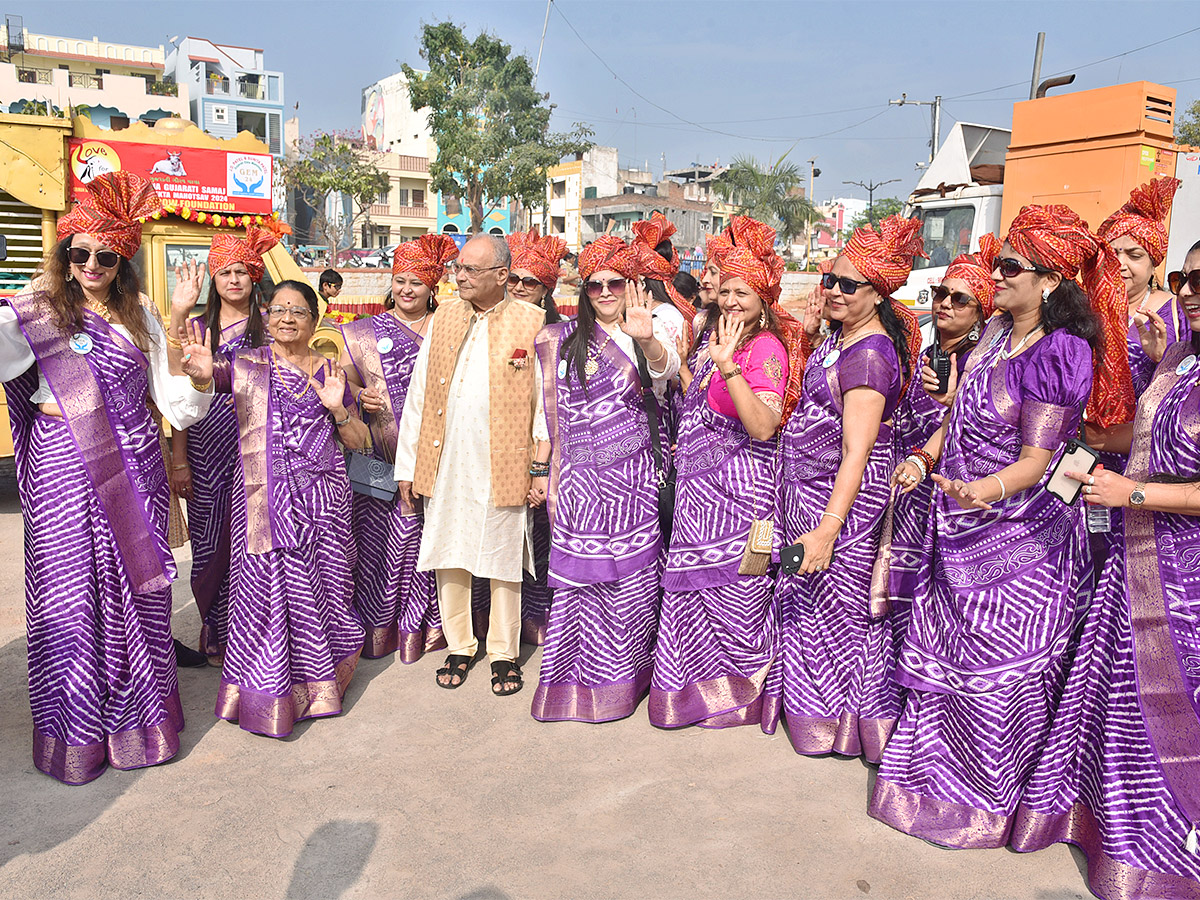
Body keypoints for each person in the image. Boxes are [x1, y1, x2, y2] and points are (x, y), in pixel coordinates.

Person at [870, 204, 1131, 848]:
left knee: (996, 675)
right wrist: (927, 455)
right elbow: (955, 416)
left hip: (1020, 541)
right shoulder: (991, 335)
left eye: (1011, 266)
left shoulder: (1061, 351)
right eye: (999, 263)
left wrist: (977, 490)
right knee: (943, 663)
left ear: (1049, 282)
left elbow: (1038, 461)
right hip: (956, 528)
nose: (998, 274)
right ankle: (920, 790)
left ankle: (978, 809)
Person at [0, 172, 215, 783]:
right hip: (62, 464)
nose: (92, 263)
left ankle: (136, 725)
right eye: (80, 252)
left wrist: (188, 352)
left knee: (135, 591)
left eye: (105, 254)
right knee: (69, 593)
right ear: (64, 257)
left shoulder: (139, 318)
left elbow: (175, 403)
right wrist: (26, 294)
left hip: (135, 466)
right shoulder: (37, 312)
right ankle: (74, 733)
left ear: (122, 261)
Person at [1006, 259, 1200, 893]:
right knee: (1118, 709)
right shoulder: (1179, 362)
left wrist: (1133, 494)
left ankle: (1168, 854)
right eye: (1187, 278)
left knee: (1171, 713)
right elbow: (1126, 436)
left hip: (1186, 580)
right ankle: (1117, 840)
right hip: (1134, 556)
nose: (1190, 291)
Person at [765, 215, 924, 761]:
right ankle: (810, 718)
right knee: (809, 608)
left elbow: (858, 451)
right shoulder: (841, 338)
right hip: (805, 492)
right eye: (830, 279)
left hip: (844, 505)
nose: (832, 289)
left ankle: (838, 728)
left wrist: (830, 527)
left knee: (839, 615)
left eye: (847, 285)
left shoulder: (871, 354)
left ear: (877, 295)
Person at [182, 279, 369, 738]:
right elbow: (206, 377)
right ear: (266, 317)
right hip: (263, 501)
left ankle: (320, 684)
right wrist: (199, 369)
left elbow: (360, 441)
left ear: (314, 319)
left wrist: (339, 410)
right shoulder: (247, 365)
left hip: (324, 501)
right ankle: (267, 689)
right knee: (265, 594)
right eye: (278, 309)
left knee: (324, 592)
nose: (286, 317)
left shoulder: (331, 372)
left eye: (298, 311)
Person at [648, 216, 804, 729]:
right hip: (700, 499)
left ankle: (739, 698)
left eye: (744, 292)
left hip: (740, 502)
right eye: (728, 290)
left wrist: (730, 366)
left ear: (764, 298)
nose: (732, 300)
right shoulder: (717, 337)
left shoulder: (765, 349)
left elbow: (763, 425)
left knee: (735, 602)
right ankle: (688, 696)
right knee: (694, 601)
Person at [527, 235, 679, 722]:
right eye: (596, 285)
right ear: (583, 291)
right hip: (576, 482)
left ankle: (625, 681)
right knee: (580, 584)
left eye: (616, 282)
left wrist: (646, 338)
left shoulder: (653, 331)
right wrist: (539, 469)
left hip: (631, 481)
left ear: (632, 285)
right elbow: (542, 414)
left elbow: (668, 373)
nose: (606, 292)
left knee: (630, 583)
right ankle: (572, 684)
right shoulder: (555, 339)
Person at [394, 234, 546, 697]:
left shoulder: (532, 322)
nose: (459, 276)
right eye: (457, 268)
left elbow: (545, 403)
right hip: (446, 458)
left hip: (504, 459)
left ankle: (503, 651)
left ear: (502, 276)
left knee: (503, 558)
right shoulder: (445, 316)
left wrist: (540, 469)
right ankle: (460, 644)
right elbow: (419, 394)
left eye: (470, 270)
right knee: (449, 552)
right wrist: (407, 466)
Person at [338, 235, 456, 661]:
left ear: (433, 286)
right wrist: (356, 391)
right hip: (377, 458)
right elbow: (344, 377)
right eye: (400, 280)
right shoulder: (362, 332)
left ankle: (428, 624)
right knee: (377, 539)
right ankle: (379, 625)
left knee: (430, 539)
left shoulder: (451, 327)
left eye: (417, 282)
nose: (407, 290)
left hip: (441, 456)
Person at [169, 227, 275, 662]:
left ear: (254, 278)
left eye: (241, 272)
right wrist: (179, 460)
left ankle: (253, 634)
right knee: (211, 544)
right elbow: (177, 393)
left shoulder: (271, 327)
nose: (233, 280)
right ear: (213, 281)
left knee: (254, 539)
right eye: (224, 272)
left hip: (259, 448)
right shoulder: (197, 327)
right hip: (204, 449)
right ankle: (215, 632)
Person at [885, 236, 998, 608]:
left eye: (960, 298)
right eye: (941, 293)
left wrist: (951, 401)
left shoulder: (980, 365)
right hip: (905, 485)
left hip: (946, 489)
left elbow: (962, 424)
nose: (945, 303)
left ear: (980, 312)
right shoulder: (927, 352)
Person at [498, 227, 568, 645]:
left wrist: (540, 464)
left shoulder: (559, 336)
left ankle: (541, 622)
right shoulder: (489, 326)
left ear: (547, 290)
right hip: (500, 448)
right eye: (515, 279)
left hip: (548, 452)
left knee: (543, 536)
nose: (521, 288)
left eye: (531, 282)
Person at [1096, 177, 1187, 396]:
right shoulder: (1085, 307)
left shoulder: (1178, 313)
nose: (1119, 264)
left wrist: (1163, 359)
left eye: (1134, 255)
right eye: (1112, 253)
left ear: (1154, 262)